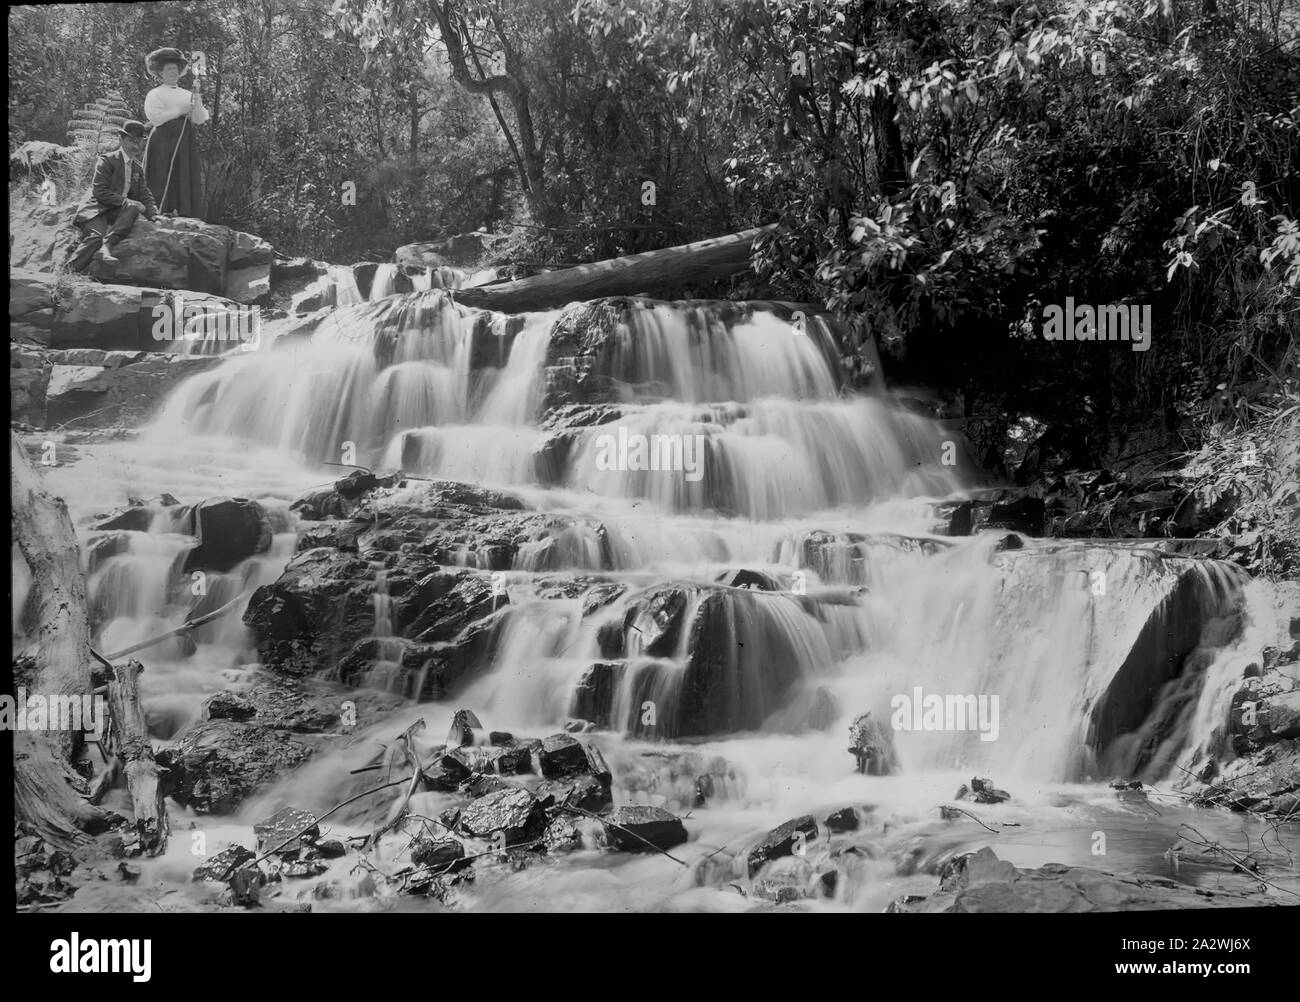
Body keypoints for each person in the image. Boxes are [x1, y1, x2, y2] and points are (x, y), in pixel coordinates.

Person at [68, 121, 158, 272]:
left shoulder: (137, 168)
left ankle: (107, 247)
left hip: (115, 210)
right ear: (121, 139)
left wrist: (153, 214)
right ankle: (66, 274)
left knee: (133, 208)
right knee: (95, 238)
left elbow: (144, 194)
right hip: (96, 208)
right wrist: (126, 200)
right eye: (131, 141)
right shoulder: (107, 160)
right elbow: (100, 191)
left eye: (139, 141)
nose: (135, 146)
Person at [142, 46, 208, 218]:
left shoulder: (187, 94)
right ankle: (157, 211)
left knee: (183, 174)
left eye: (175, 69)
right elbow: (155, 118)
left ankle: (183, 213)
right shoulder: (155, 94)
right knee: (160, 174)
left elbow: (200, 119)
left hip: (184, 140)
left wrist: (197, 95)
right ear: (161, 73)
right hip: (162, 140)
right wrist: (180, 111)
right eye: (168, 69)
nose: (172, 72)